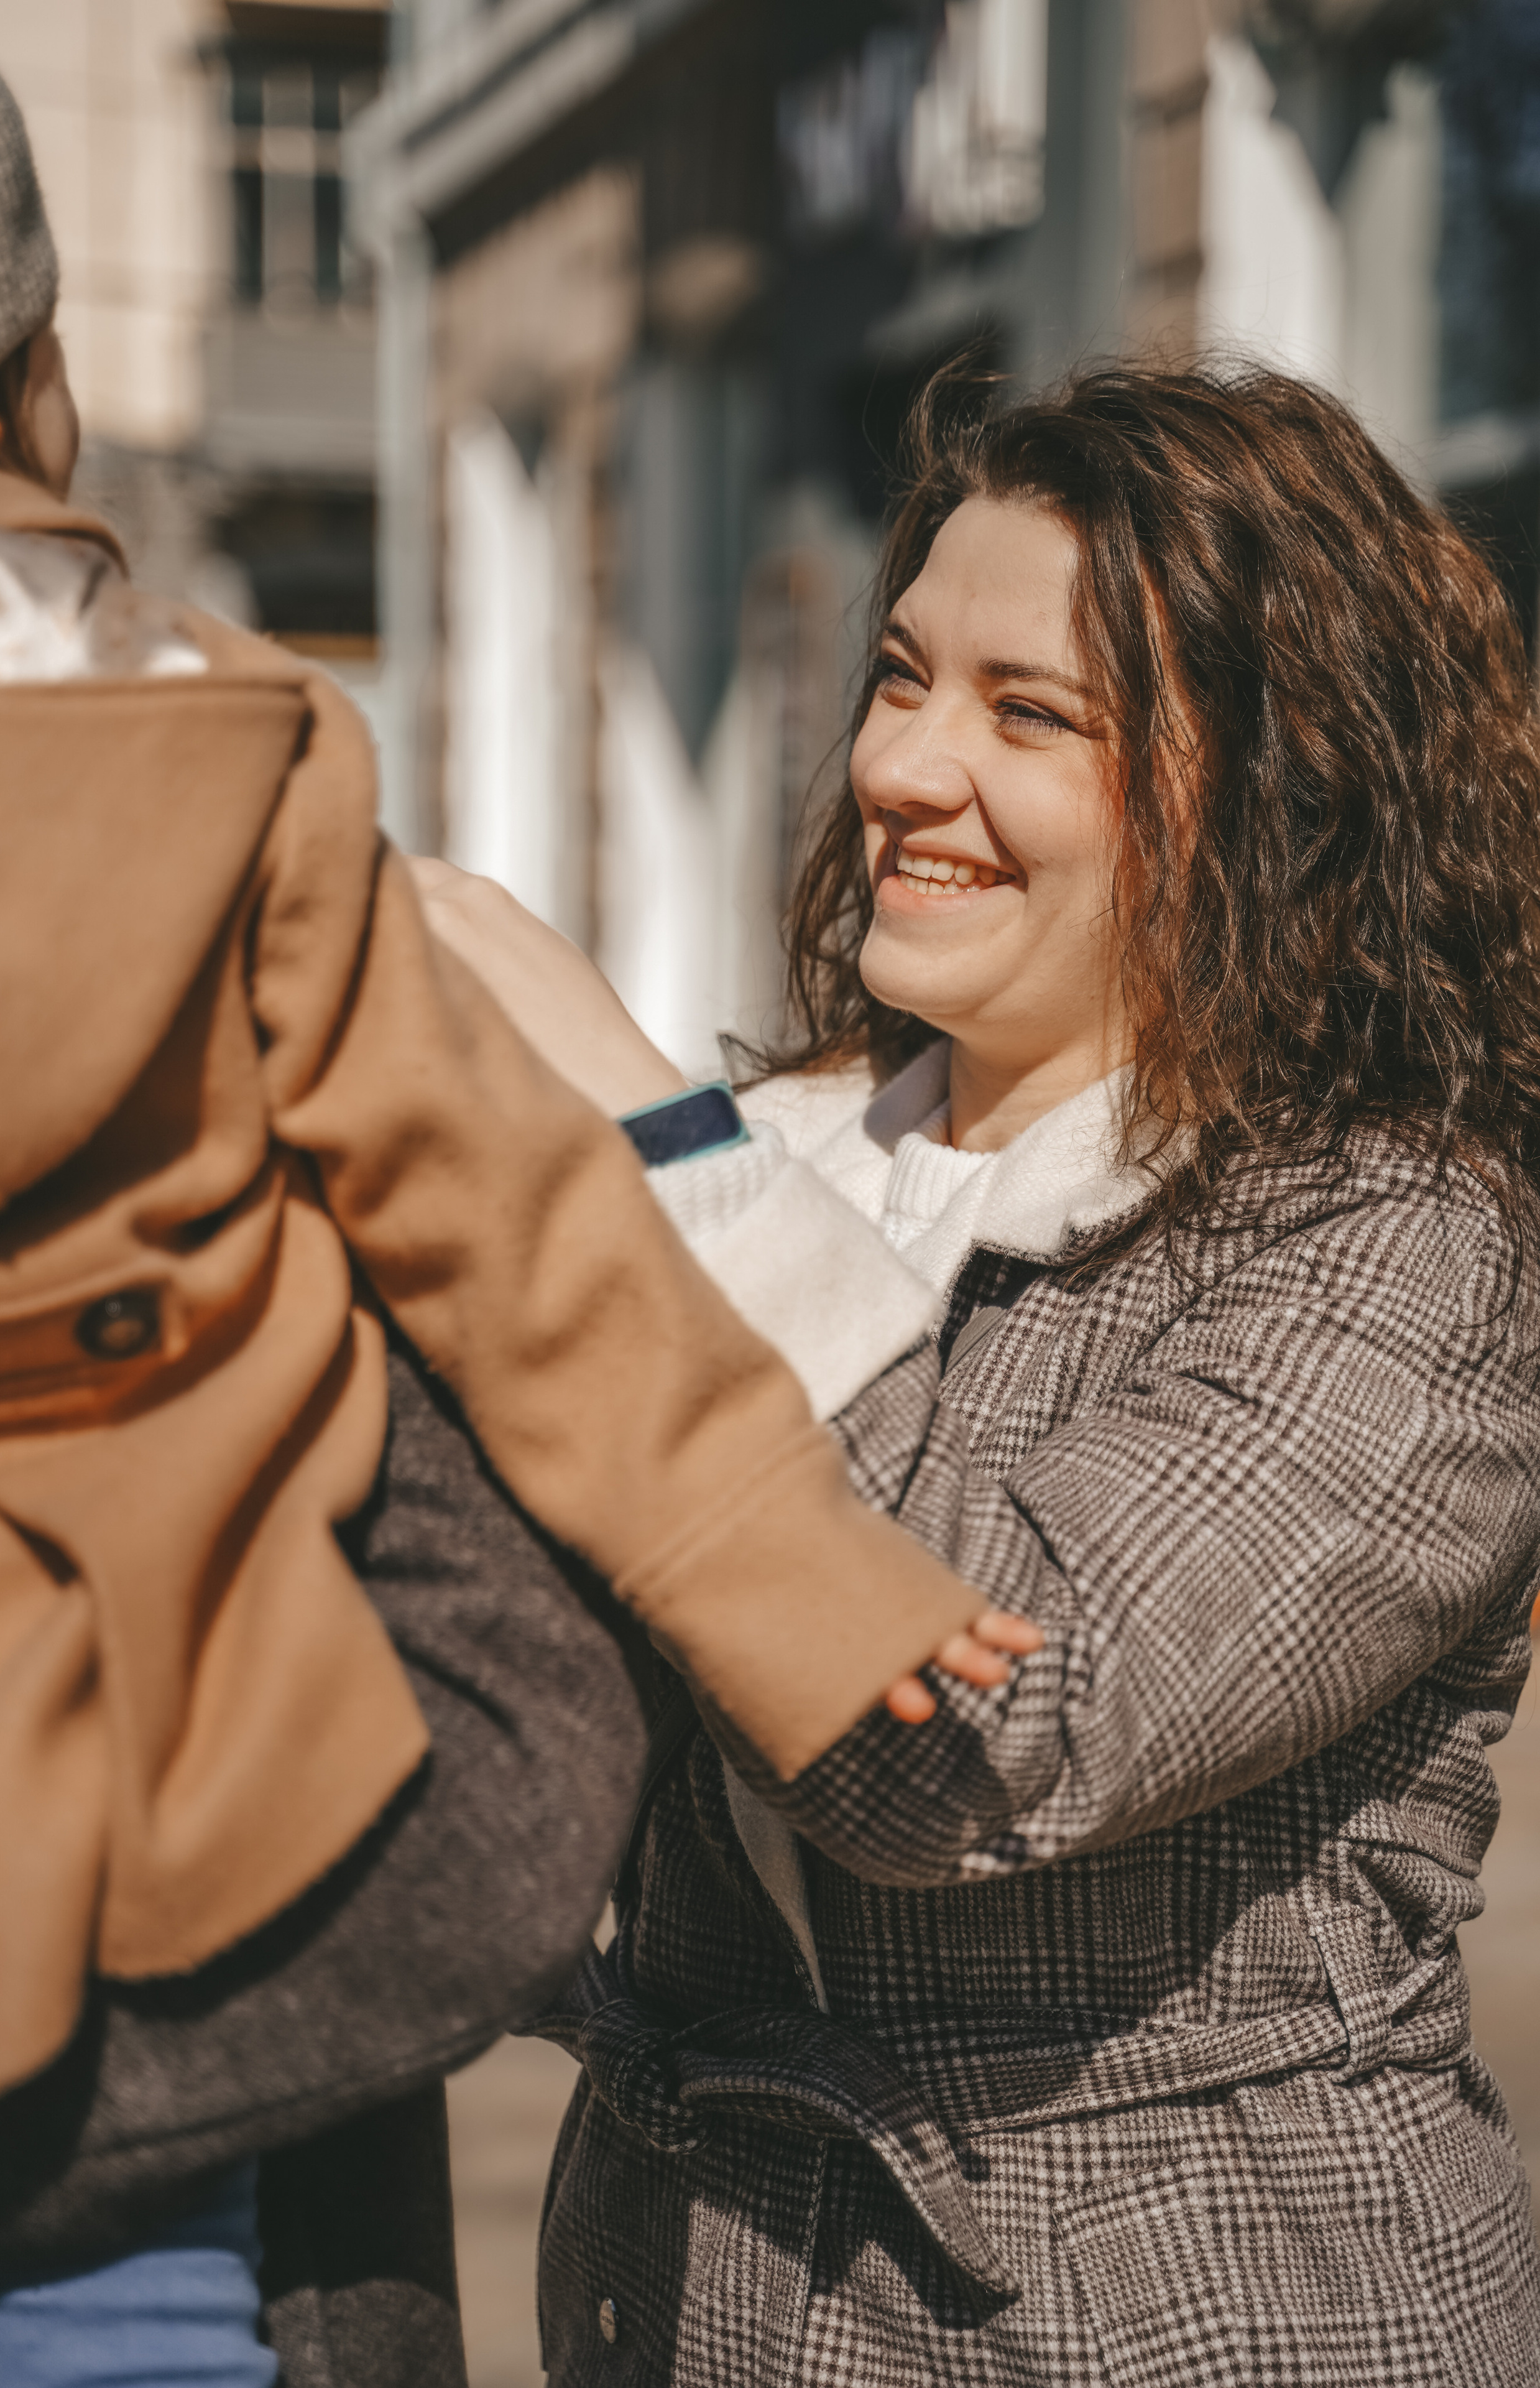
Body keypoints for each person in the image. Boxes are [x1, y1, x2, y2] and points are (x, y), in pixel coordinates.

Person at [0, 23, 1018, 2385]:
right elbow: (512, 1231)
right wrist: (792, 1566)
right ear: (39, 395)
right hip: (170, 1812)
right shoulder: (226, 776)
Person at [422, 361, 1540, 2384]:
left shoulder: (1404, 1254)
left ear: (1277, 797)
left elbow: (977, 1743)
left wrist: (645, 1147)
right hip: (680, 2296)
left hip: (1171, 2321)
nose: (907, 769)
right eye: (906, 674)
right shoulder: (789, 1162)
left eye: (1034, 717)